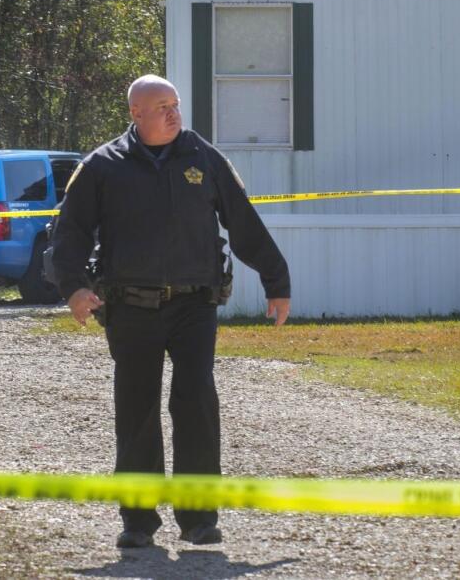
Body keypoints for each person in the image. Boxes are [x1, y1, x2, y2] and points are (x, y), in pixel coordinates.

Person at [51, 74, 291, 549]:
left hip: (193, 304)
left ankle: (199, 517)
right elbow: (70, 233)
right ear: (135, 115)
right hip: (130, 308)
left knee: (196, 401)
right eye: (160, 106)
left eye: (175, 103)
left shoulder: (204, 157)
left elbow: (243, 222)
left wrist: (276, 280)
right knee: (136, 408)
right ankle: (138, 522)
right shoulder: (103, 165)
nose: (173, 113)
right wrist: (75, 288)